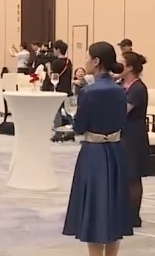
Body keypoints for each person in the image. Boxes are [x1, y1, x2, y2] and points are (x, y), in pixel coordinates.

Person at [63, 41, 133, 255]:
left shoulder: (89, 92)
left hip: (94, 152)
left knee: (94, 209)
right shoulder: (120, 90)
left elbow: (79, 127)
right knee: (114, 209)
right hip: (116, 151)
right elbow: (123, 121)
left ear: (96, 61)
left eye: (88, 57)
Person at [117, 51, 149, 228]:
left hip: (133, 135)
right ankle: (123, 212)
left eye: (121, 62)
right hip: (123, 133)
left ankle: (133, 216)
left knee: (133, 175)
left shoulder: (137, 88)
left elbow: (123, 110)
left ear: (129, 67)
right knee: (124, 174)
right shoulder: (122, 84)